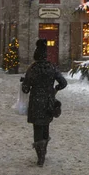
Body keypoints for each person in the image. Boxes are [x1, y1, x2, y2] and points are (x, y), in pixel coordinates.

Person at [21, 39, 68, 167]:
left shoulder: (33, 68)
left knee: (37, 127)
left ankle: (40, 155)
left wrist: (27, 84)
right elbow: (63, 83)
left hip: (36, 102)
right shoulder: (51, 67)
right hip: (48, 101)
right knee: (46, 125)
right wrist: (54, 89)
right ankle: (44, 150)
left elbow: (25, 89)